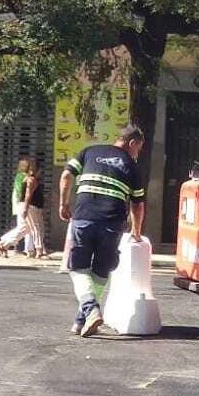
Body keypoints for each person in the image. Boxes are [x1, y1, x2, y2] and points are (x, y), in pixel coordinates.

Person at [59, 125, 147, 337]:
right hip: (112, 223)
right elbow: (138, 205)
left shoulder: (90, 151)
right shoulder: (132, 167)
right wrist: (136, 232)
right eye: (139, 148)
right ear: (132, 143)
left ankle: (89, 310)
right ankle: (81, 321)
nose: (138, 153)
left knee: (78, 268)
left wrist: (64, 203)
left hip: (84, 217)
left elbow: (66, 177)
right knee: (101, 271)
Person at [0, 157, 32, 258]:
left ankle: (3, 242)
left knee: (25, 228)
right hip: (21, 204)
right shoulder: (21, 176)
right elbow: (20, 191)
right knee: (24, 228)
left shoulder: (23, 176)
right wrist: (22, 205)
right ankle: (3, 244)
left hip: (21, 204)